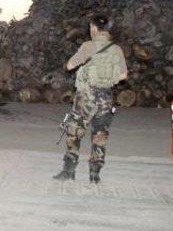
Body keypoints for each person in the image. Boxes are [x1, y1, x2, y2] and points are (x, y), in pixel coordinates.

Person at [53, 15, 128, 184]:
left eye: (90, 27)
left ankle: (69, 171)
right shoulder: (116, 49)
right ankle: (95, 174)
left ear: (94, 28)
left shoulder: (88, 46)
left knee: (74, 133)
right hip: (105, 98)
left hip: (85, 98)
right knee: (100, 135)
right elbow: (123, 75)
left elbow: (70, 65)